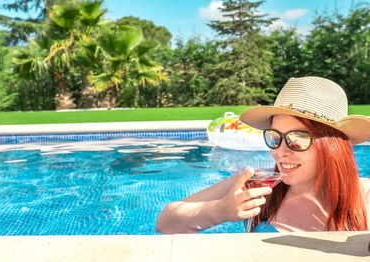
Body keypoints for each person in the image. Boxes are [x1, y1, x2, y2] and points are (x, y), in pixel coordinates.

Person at [156, 76, 370, 234]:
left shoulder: (365, 197)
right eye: (275, 136)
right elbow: (165, 223)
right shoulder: (257, 187)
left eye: (297, 139)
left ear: (332, 146)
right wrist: (222, 210)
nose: (280, 150)